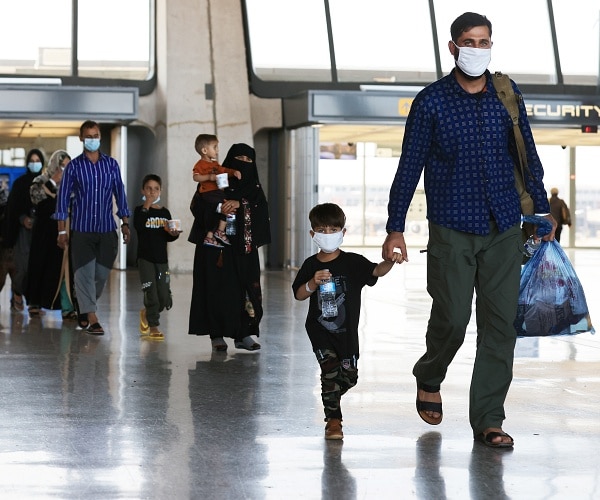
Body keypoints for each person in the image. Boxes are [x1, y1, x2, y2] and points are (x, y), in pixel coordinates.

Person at [381, 12, 557, 449]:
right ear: (452, 47)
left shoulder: (506, 93)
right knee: (454, 317)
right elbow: (409, 168)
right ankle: (430, 373)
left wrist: (542, 210)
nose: (477, 49)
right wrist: (395, 227)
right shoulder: (432, 102)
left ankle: (489, 419)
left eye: (484, 42)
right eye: (468, 42)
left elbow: (526, 152)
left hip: (503, 227)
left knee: (500, 326)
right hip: (452, 228)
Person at [292, 203, 395, 440]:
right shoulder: (311, 265)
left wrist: (390, 260)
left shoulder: (353, 262)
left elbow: (376, 271)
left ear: (342, 232)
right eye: (321, 230)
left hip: (347, 333)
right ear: (313, 234)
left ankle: (333, 395)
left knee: (349, 377)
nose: (327, 235)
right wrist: (313, 283)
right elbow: (299, 294)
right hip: (319, 330)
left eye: (332, 229)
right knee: (329, 371)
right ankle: (334, 422)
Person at [188, 142, 271, 352]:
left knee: (243, 291)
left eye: (247, 160)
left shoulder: (255, 188)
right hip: (217, 249)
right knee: (216, 290)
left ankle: (244, 333)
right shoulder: (219, 180)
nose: (243, 164)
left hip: (244, 249)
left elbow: (261, 213)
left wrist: (240, 204)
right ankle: (216, 334)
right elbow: (198, 205)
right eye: (239, 159)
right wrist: (219, 206)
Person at [54, 120, 131, 335]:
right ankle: (92, 316)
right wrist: (61, 230)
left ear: (99, 137)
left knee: (101, 274)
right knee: (84, 274)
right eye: (88, 136)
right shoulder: (74, 167)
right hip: (81, 229)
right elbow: (62, 201)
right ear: (81, 139)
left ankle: (83, 305)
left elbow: (120, 194)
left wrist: (125, 222)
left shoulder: (111, 165)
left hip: (107, 229)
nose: (92, 139)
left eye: (95, 135)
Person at [26, 150, 77, 319]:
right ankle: (35, 302)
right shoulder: (39, 182)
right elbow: (37, 200)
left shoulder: (71, 185)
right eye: (63, 165)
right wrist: (54, 183)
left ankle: (66, 306)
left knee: (63, 269)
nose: (65, 170)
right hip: (43, 233)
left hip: (63, 231)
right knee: (40, 265)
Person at [134, 174, 181, 340]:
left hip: (162, 260)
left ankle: (147, 312)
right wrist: (147, 205)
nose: (152, 192)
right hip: (145, 259)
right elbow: (138, 226)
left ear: (160, 191)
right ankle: (153, 326)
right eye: (148, 189)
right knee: (151, 293)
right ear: (143, 190)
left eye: (156, 189)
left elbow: (168, 236)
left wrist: (173, 234)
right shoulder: (140, 211)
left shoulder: (165, 212)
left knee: (164, 297)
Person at [1, 148, 45, 313]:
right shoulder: (20, 184)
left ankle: (34, 302)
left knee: (38, 267)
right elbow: (13, 208)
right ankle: (17, 294)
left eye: (37, 160)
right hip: (22, 233)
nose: (35, 164)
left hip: (40, 233)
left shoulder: (44, 183)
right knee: (22, 266)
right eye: (32, 161)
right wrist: (22, 219)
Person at [191, 134, 241, 247]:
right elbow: (196, 177)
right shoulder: (200, 164)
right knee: (223, 207)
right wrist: (209, 177)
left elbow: (224, 170)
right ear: (204, 150)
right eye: (215, 147)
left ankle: (214, 234)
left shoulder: (215, 164)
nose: (217, 150)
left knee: (226, 208)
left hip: (218, 193)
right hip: (208, 194)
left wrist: (233, 172)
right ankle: (218, 232)